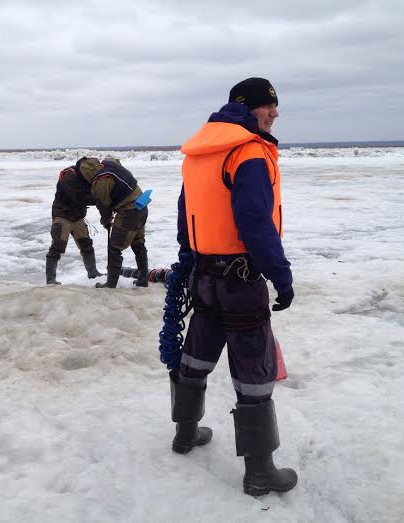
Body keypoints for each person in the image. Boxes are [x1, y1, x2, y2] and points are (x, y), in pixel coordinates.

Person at [172, 78, 297, 496]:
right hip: (241, 279)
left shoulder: (199, 151)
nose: (275, 113)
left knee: (197, 353)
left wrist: (189, 258)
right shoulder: (248, 152)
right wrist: (280, 275)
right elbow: (256, 222)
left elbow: (184, 211)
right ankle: (260, 472)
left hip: (204, 274)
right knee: (254, 370)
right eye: (269, 107)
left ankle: (185, 434)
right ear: (249, 108)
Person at [77, 157, 149, 288]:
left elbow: (104, 206)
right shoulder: (109, 165)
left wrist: (106, 221)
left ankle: (111, 283)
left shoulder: (99, 182)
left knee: (114, 247)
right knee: (138, 243)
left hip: (129, 211)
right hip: (142, 204)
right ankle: (143, 279)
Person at [45, 161, 103, 284]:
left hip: (77, 216)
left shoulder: (86, 176)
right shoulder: (69, 178)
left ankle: (93, 273)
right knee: (57, 246)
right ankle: (50, 280)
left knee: (86, 244)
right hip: (62, 215)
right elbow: (80, 198)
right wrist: (101, 198)